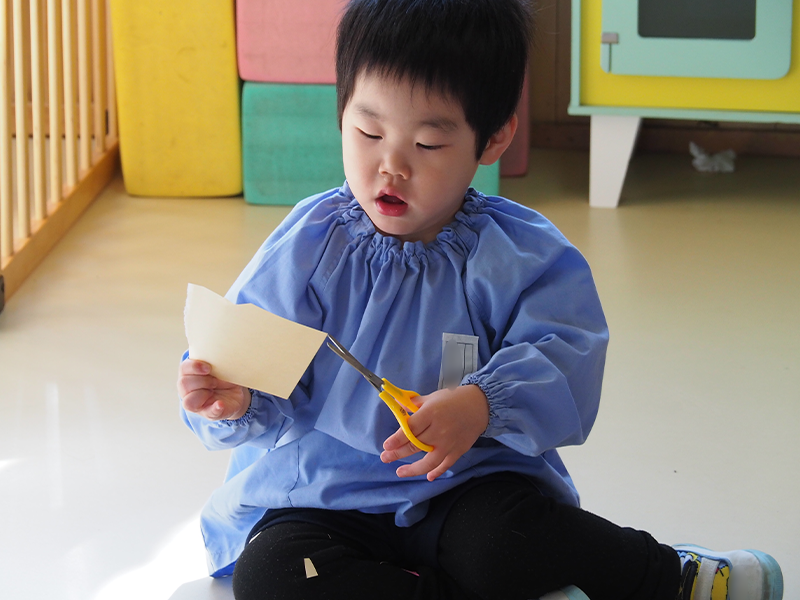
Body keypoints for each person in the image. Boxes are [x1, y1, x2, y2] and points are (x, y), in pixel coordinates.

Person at [177, 1, 783, 599]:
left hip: (468, 491)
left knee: (506, 544)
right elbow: (249, 355)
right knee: (273, 575)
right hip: (320, 496)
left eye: (428, 144)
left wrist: (483, 403)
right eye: (369, 132)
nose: (392, 165)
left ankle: (671, 576)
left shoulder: (519, 253)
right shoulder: (309, 244)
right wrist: (235, 400)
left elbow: (567, 354)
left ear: (492, 139)